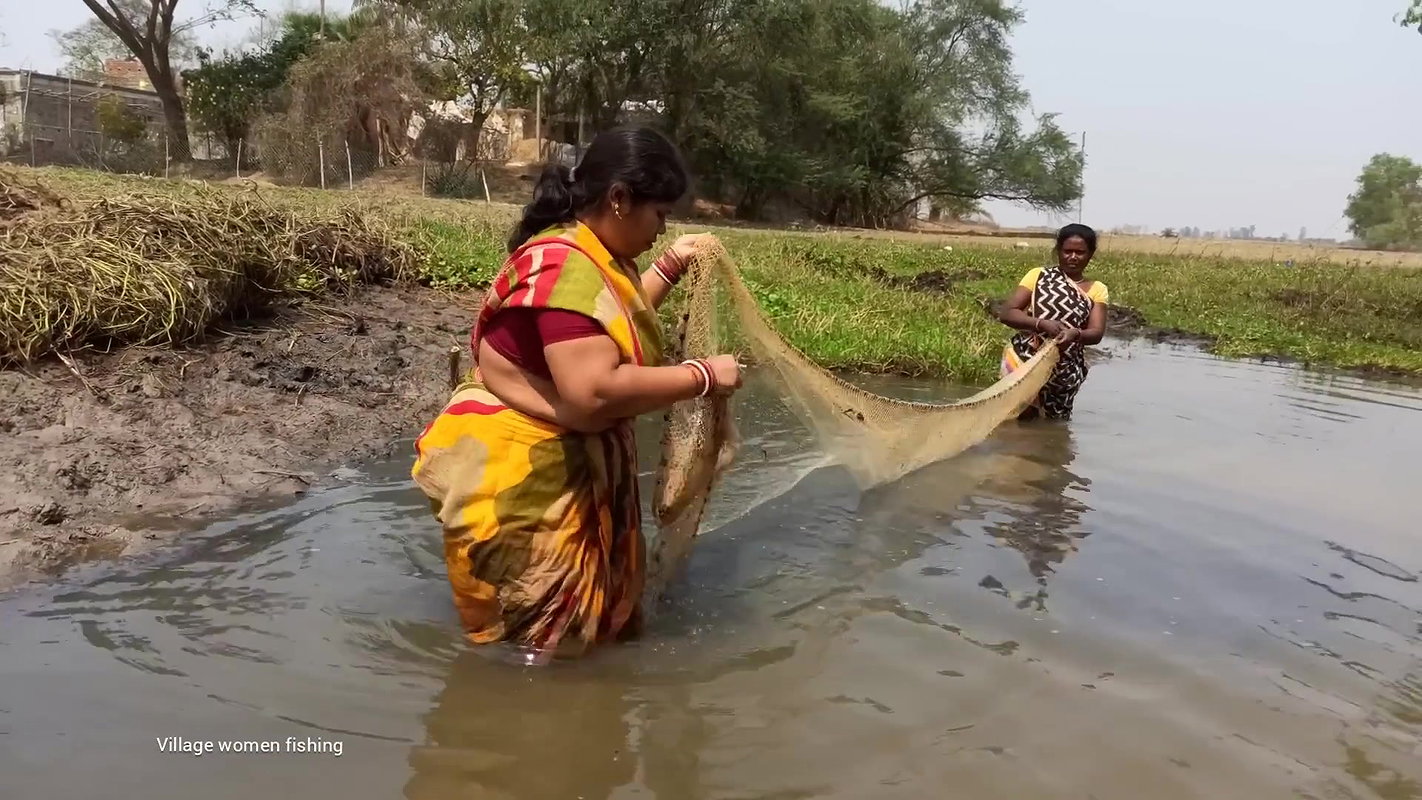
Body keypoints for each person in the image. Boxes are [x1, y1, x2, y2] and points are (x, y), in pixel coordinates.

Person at [411, 127, 743, 662]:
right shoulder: (567, 266)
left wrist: (670, 267)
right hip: (525, 475)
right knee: (539, 653)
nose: (662, 229)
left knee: (569, 644)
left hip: (554, 458)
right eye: (659, 214)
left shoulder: (591, 254)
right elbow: (592, 389)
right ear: (619, 198)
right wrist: (701, 376)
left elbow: (608, 326)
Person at [996, 223, 1109, 420]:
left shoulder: (1097, 289)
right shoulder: (1038, 276)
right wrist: (1040, 324)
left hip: (1064, 371)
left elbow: (1096, 333)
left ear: (1090, 254)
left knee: (1052, 426)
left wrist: (1075, 334)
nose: (1072, 257)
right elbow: (1008, 313)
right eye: (1067, 251)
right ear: (1058, 251)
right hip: (1026, 360)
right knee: (1015, 418)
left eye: (1080, 252)